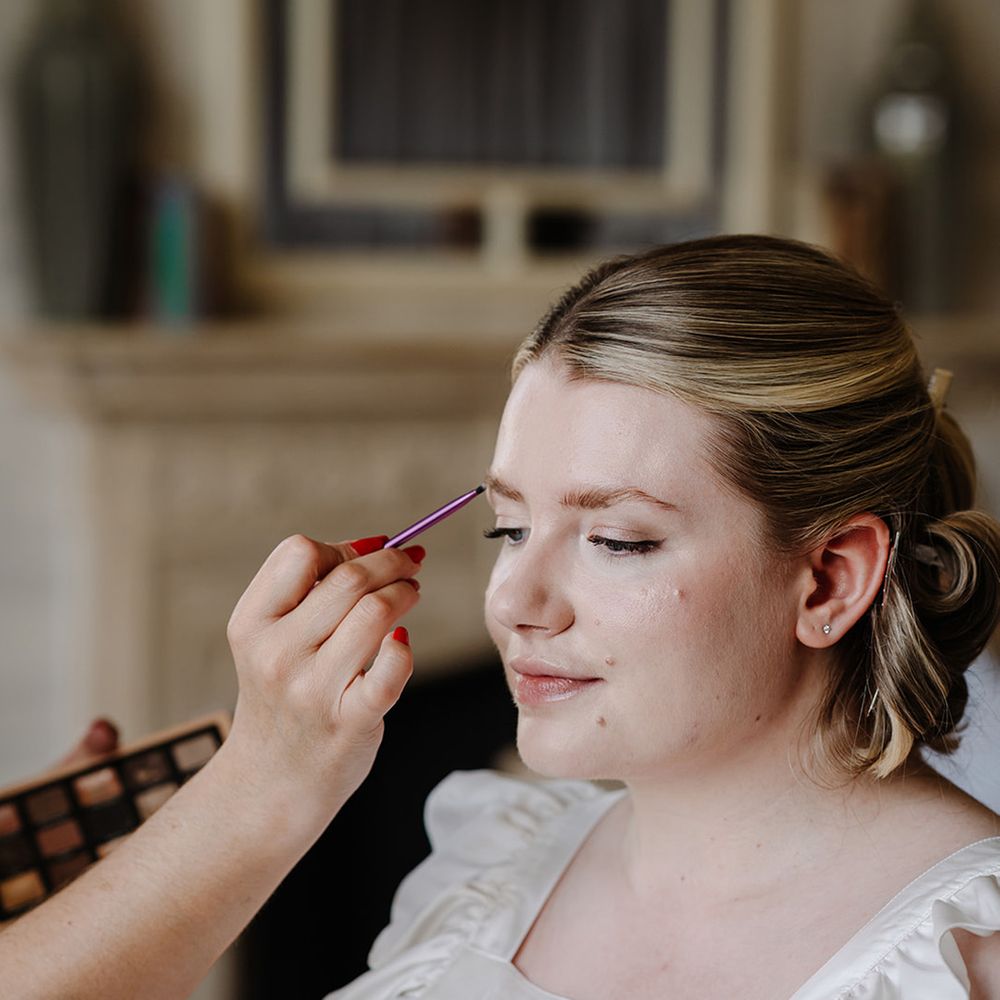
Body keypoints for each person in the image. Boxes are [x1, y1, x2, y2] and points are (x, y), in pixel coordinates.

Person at [1, 234, 999, 998]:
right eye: (509, 529)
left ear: (828, 579)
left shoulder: (962, 956)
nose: (512, 602)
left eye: (618, 540)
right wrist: (257, 785)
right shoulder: (492, 864)